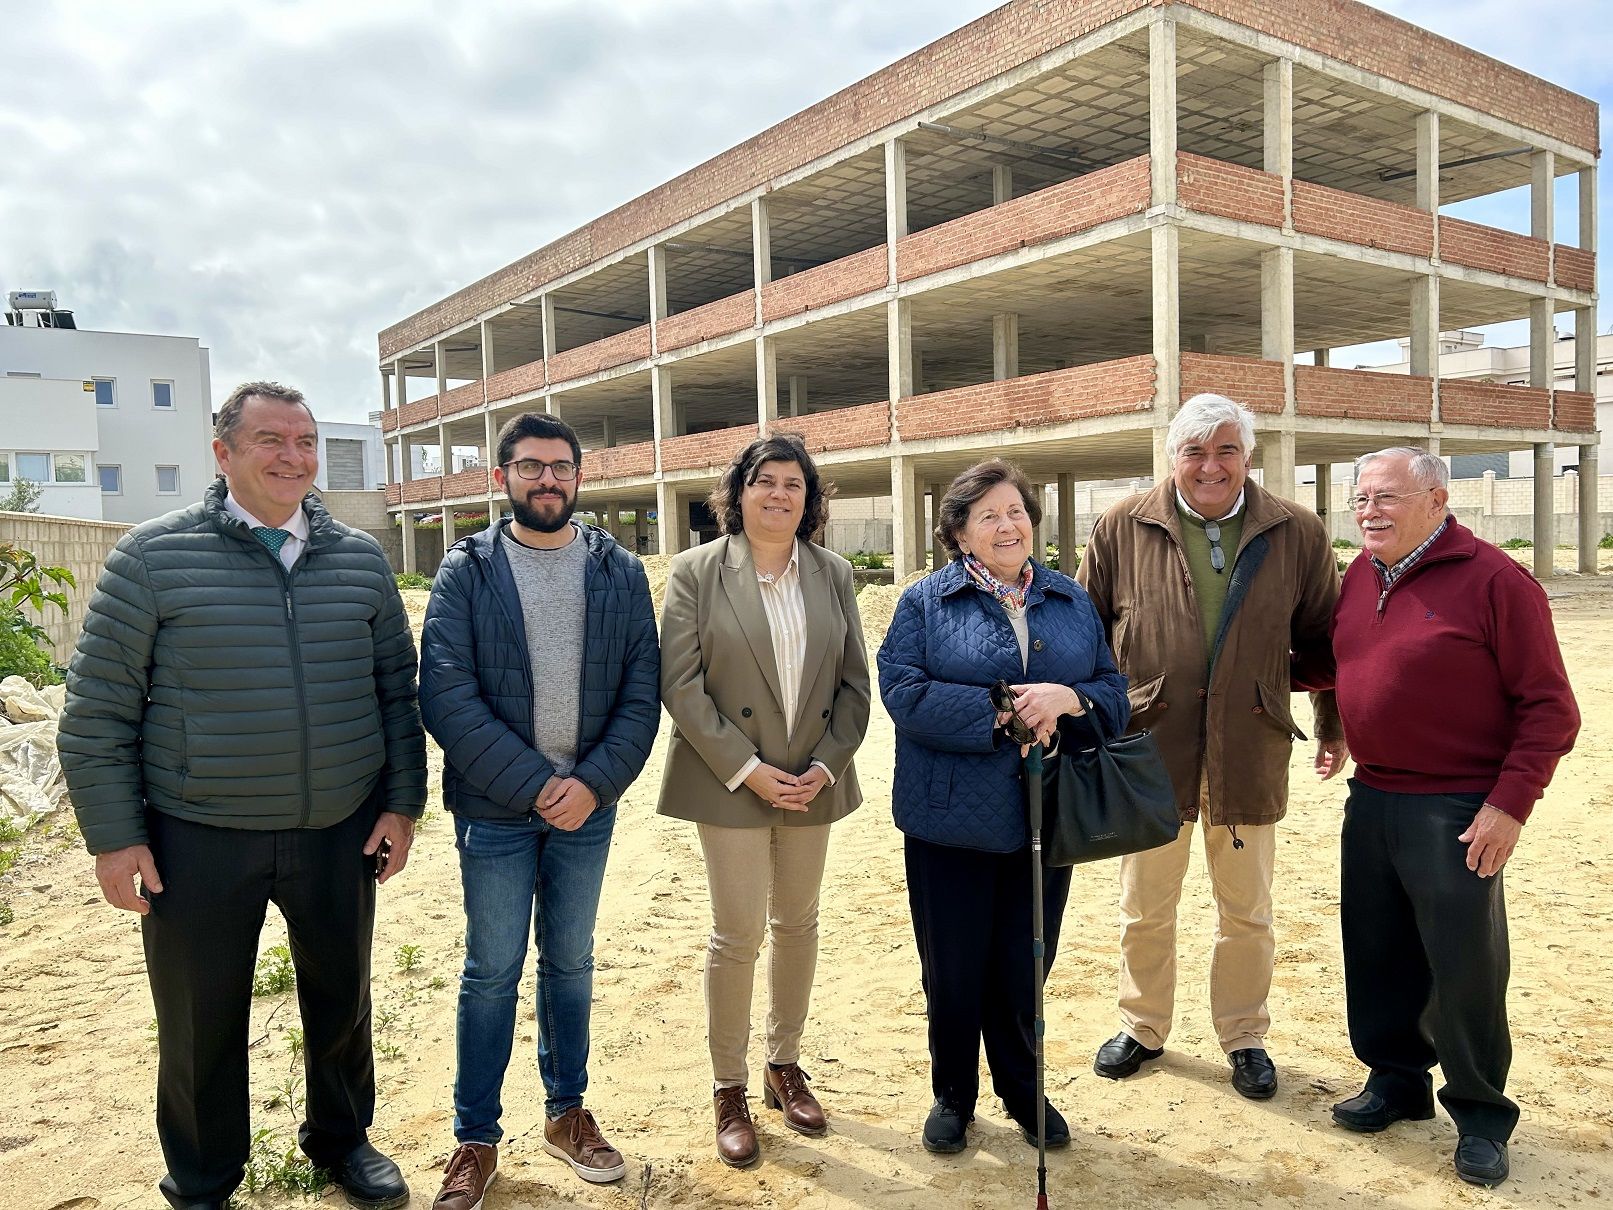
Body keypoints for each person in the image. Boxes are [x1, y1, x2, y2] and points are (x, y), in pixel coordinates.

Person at [56, 381, 426, 1210]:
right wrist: (115, 840)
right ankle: (201, 1177)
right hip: (199, 834)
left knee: (342, 1002)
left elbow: (394, 696)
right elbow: (96, 711)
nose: (293, 457)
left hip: (338, 828)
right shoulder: (152, 557)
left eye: (305, 441)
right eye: (270, 441)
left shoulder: (359, 559)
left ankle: (342, 1141)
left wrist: (402, 805)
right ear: (222, 454)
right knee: (199, 1022)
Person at [418, 413, 660, 1205]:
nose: (546, 480)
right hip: (494, 809)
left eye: (560, 467)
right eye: (529, 467)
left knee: (571, 962)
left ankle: (567, 1115)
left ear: (579, 478)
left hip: (588, 808)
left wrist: (591, 784)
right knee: (490, 971)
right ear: (502, 478)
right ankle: (476, 1140)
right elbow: (446, 696)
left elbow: (640, 694)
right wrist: (534, 785)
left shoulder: (618, 571)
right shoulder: (467, 570)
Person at [1076, 392, 1346, 1100]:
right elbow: (1082, 633)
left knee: (1247, 914)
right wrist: (1084, 724)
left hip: (1248, 750)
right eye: (1193, 451)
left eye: (1225, 449)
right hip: (1147, 751)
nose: (1209, 465)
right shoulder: (1119, 526)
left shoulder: (1296, 531)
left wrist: (1332, 722)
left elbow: (1325, 640)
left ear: (1247, 456)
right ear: (1171, 458)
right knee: (1143, 908)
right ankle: (1141, 1026)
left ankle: (1244, 1034)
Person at [1329, 447, 1578, 1188]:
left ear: (1437, 500)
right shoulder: (1360, 573)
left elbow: (1550, 709)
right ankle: (1396, 1081)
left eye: (1386, 498)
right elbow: (1343, 661)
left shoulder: (1498, 581)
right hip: (1371, 795)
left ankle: (1479, 1113)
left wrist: (1509, 804)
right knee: (1375, 953)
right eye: (1360, 498)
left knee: (1465, 966)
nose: (1368, 511)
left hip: (1458, 806)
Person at [878, 458, 1129, 1154]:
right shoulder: (924, 603)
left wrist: (1068, 700)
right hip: (947, 820)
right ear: (958, 533)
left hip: (1044, 815)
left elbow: (1112, 689)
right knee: (953, 969)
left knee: (1026, 966)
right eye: (987, 514)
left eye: (1015, 511)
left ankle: (1022, 1088)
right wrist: (1003, 712)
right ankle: (952, 1094)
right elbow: (902, 692)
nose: (1006, 524)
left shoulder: (1068, 599)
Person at [657, 432, 871, 1168]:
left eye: (793, 485)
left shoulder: (834, 574)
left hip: (811, 775)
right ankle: (729, 1086)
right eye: (764, 481)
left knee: (799, 922)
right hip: (731, 778)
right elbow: (680, 687)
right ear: (737, 492)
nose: (777, 495)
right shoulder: (694, 572)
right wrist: (747, 770)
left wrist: (826, 764)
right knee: (737, 932)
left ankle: (784, 1065)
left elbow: (854, 684)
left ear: (809, 502)